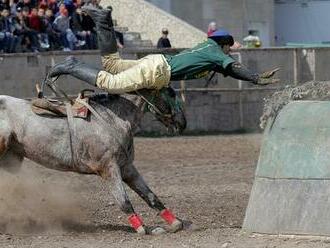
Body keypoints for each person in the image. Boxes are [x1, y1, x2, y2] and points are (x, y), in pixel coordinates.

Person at [47, 6, 279, 95]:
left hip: (156, 64)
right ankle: (71, 66)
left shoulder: (211, 50)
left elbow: (230, 69)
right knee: (110, 83)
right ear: (224, 44)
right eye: (230, 45)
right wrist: (256, 79)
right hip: (157, 71)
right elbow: (234, 66)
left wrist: (248, 77)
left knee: (112, 66)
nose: (231, 49)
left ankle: (102, 21)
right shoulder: (215, 51)